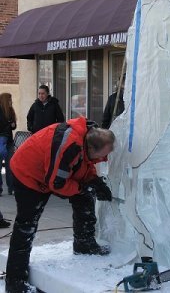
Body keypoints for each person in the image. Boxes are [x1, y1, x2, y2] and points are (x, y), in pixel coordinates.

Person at [5, 116, 115, 293]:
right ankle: (15, 281)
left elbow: (84, 162)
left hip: (49, 170)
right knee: (26, 225)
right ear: (92, 147)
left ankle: (84, 243)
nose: (105, 158)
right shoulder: (69, 147)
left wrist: (94, 181)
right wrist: (83, 188)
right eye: (103, 154)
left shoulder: (86, 137)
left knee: (84, 196)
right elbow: (57, 184)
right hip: (28, 174)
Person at [0, 93, 17, 197]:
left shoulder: (10, 110)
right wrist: (9, 125)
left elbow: (13, 126)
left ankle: (11, 188)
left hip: (9, 141)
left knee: (10, 166)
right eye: (10, 99)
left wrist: (13, 125)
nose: (11, 101)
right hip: (1, 141)